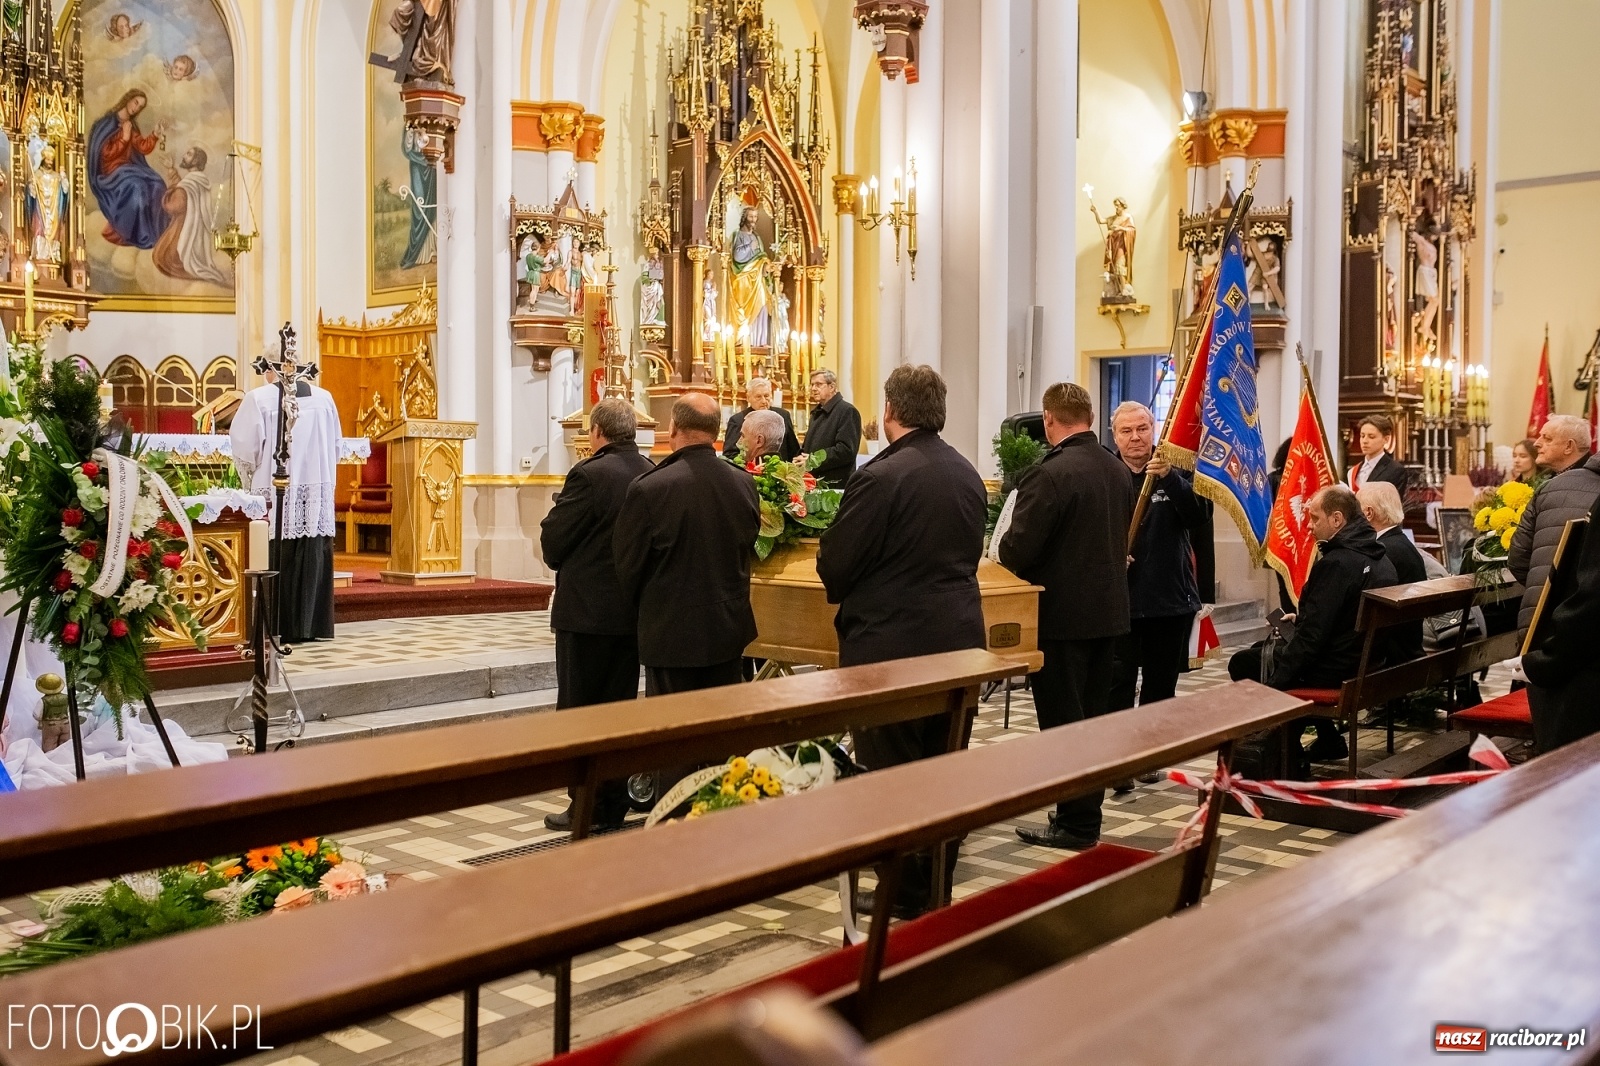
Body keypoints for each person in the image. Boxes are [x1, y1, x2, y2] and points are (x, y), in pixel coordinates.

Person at [818, 364, 987, 916]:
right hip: (959, 641)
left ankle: (903, 889)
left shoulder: (882, 477)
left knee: (891, 775)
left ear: (889, 410)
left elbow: (838, 563)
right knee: (944, 769)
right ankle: (932, 882)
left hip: (891, 648)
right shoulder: (965, 472)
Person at [998, 382, 1131, 850]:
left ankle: (1074, 824)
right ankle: (1084, 818)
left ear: (1048, 419)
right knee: (1092, 720)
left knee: (1062, 724)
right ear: (1091, 418)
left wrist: (1004, 550)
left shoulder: (1049, 475)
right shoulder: (1117, 470)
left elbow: (1018, 547)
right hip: (1108, 614)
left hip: (1060, 618)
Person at [538, 398, 656, 832]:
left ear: (597, 432)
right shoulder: (649, 469)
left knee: (580, 711)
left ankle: (584, 806)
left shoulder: (589, 474)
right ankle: (612, 802)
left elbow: (556, 541)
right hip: (630, 612)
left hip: (586, 615)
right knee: (619, 708)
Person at [1228, 485, 1398, 765]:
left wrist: (1277, 683)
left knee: (1244, 662)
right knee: (1265, 649)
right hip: (1366, 662)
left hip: (1337, 668)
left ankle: (1284, 755)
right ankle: (1327, 740)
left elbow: (1311, 640)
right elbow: (1335, 616)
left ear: (1337, 519)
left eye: (1315, 518)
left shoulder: (1338, 563)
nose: (1309, 526)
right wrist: (1302, 619)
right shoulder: (1379, 557)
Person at [614, 393, 760, 696]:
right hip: (728, 629)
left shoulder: (650, 487)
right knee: (722, 728)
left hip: (672, 632)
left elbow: (629, 567)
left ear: (673, 427)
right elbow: (748, 545)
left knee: (674, 730)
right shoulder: (744, 483)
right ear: (717, 432)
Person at [1108, 401, 1205, 791]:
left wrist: (1171, 480)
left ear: (1154, 429)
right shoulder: (1107, 474)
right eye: (1126, 431)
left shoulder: (1178, 468)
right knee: (1117, 684)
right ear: (1114, 436)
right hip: (1122, 602)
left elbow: (1199, 519)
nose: (1135, 438)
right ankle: (1118, 763)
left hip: (1168, 598)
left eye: (1142, 429)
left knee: (1160, 686)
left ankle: (1148, 757)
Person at [1507, 415, 1599, 752]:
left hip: (1550, 626)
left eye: (1547, 438)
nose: (1537, 443)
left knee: (1558, 749)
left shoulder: (1551, 487)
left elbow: (1518, 558)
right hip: (1578, 634)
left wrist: (1542, 586)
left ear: (1570, 447)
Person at [230, 368, 341, 643]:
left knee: (275, 548)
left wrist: (251, 477)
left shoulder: (259, 399)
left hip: (274, 486)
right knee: (311, 547)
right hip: (315, 490)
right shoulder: (324, 399)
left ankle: (277, 625)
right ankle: (311, 626)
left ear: (270, 370)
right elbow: (336, 446)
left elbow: (245, 450)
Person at [87, 89, 169, 249]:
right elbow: (106, 155)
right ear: (128, 99)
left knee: (158, 185)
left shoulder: (131, 126)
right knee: (138, 187)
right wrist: (124, 138)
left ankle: (156, 232)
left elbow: (142, 147)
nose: (136, 108)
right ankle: (135, 234)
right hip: (110, 173)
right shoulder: (106, 123)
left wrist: (155, 134)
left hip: (129, 170)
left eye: (140, 107)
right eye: (136, 102)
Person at [1358, 481, 1427, 662]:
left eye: (1357, 510)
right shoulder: (1401, 543)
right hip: (1407, 646)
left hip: (1389, 655)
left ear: (1368, 513)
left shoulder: (1382, 551)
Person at [801, 369, 862, 488]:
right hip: (814, 483)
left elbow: (846, 450)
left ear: (832, 387)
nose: (813, 388)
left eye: (818, 384)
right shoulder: (817, 412)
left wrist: (813, 459)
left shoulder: (847, 411)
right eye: (812, 384)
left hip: (835, 485)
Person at [722, 377, 800, 461]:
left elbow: (793, 450)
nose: (764, 401)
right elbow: (729, 455)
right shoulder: (738, 420)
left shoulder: (783, 416)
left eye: (766, 396)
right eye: (758, 397)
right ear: (748, 398)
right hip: (750, 471)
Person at [1345, 414, 1408, 495]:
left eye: (1371, 437)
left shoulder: (1396, 470)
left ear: (1386, 439)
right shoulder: (1353, 471)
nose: (1365, 441)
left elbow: (1392, 504)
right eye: (1362, 436)